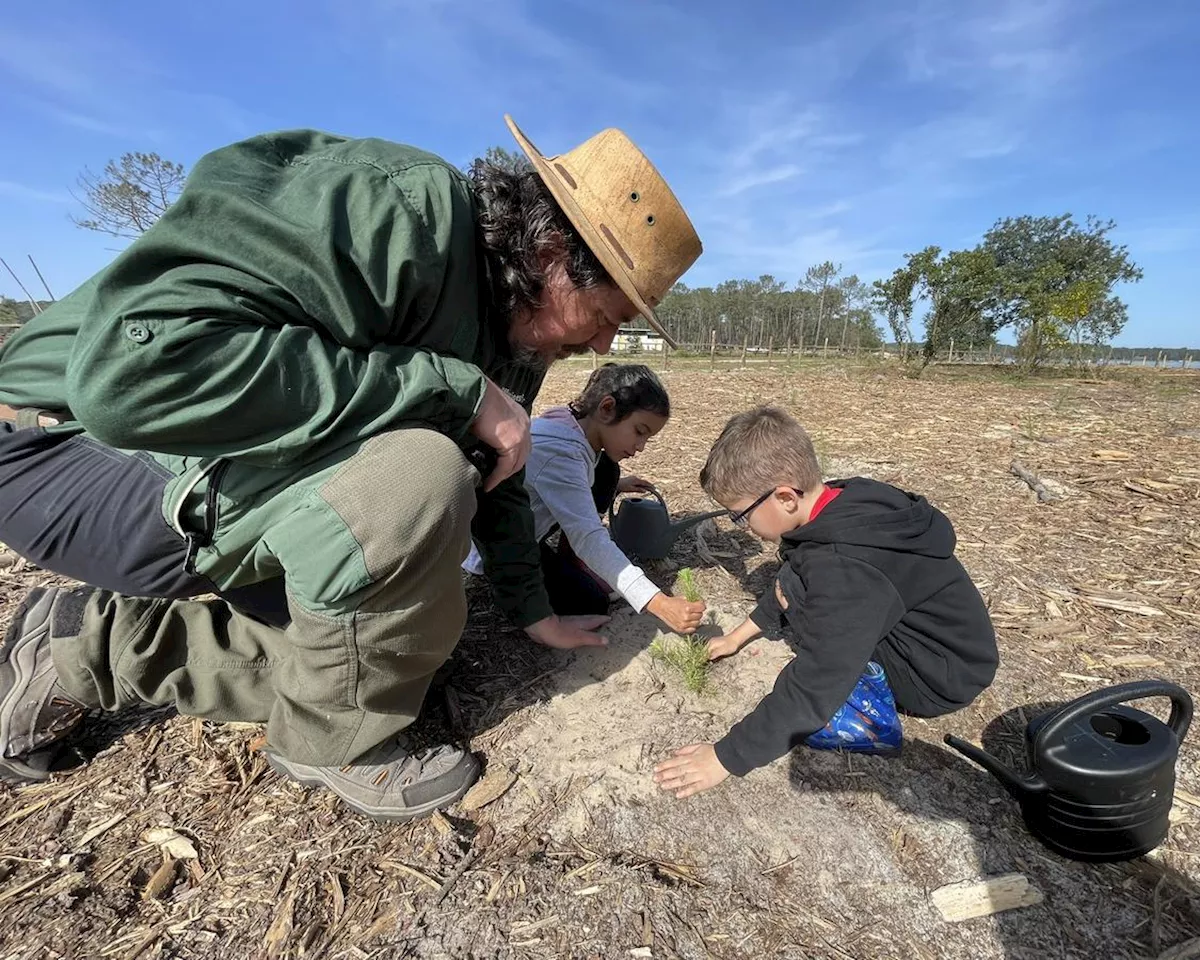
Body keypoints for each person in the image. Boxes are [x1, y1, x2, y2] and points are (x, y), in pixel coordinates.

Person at [0, 115, 703, 821]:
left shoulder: (515, 330)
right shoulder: (397, 214)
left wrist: (532, 610)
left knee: (400, 658)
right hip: (68, 451)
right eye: (607, 312)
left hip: (214, 470)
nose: (607, 340)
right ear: (551, 249)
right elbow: (133, 378)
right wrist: (451, 389)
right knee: (422, 475)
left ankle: (70, 647)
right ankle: (321, 740)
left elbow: (503, 468)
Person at [654, 406, 998, 798]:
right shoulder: (844, 502)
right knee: (798, 582)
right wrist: (738, 636)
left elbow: (817, 682)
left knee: (810, 654)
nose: (743, 526)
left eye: (741, 515)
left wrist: (724, 757)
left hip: (938, 677)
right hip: (949, 646)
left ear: (784, 496)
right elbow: (798, 569)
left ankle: (868, 712)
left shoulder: (846, 569)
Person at [464, 363, 704, 634]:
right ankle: (516, 590)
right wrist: (658, 602)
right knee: (590, 602)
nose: (640, 447)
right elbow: (589, 536)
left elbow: (564, 481)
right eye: (639, 431)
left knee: (607, 470)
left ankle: (572, 561)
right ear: (606, 408)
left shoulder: (572, 423)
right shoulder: (561, 451)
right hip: (496, 550)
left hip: (521, 528)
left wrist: (618, 485)